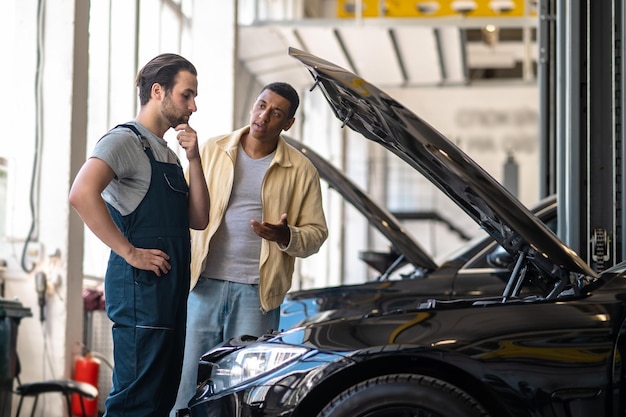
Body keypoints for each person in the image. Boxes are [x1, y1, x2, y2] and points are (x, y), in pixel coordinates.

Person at [171, 82, 328, 414]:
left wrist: (286, 236)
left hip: (257, 296)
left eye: (276, 113)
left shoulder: (301, 170)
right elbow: (182, 206)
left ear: (288, 124)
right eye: (261, 105)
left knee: (242, 394)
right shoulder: (213, 150)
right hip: (202, 286)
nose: (264, 116)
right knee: (186, 386)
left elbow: (316, 234)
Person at [69, 53, 210, 417]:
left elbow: (198, 218)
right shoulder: (124, 141)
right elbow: (81, 193)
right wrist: (129, 252)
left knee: (160, 399)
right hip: (140, 293)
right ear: (158, 91)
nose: (194, 106)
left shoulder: (168, 151)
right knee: (135, 401)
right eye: (187, 95)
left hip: (169, 293)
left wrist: (195, 160)